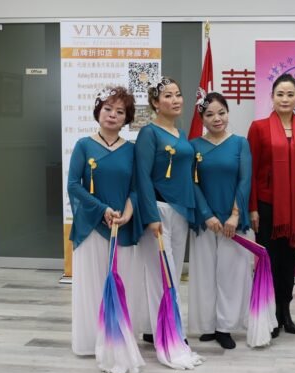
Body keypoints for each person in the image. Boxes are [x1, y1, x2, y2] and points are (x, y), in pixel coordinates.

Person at [68, 86, 141, 355]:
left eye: (120, 111)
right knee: (91, 286)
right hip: (91, 226)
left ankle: (117, 339)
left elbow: (136, 188)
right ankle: (89, 343)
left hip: (122, 226)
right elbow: (74, 185)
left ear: (127, 118)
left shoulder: (132, 150)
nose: (113, 115)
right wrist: (102, 210)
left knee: (123, 285)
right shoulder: (84, 145)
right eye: (108, 109)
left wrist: (128, 212)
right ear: (98, 112)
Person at [247, 73, 295, 337]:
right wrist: (252, 207)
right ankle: (266, 313)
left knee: (290, 259)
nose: (285, 99)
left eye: (290, 94)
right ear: (272, 97)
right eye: (280, 94)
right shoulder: (259, 127)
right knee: (269, 259)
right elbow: (250, 171)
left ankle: (284, 311)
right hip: (266, 206)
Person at [188, 92, 252, 349]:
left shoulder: (240, 143)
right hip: (205, 221)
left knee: (231, 274)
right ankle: (208, 324)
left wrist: (234, 216)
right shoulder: (194, 146)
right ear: (202, 118)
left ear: (228, 112)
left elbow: (244, 180)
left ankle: (225, 326)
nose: (217, 119)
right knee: (204, 274)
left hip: (233, 222)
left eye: (221, 112)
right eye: (210, 114)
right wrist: (207, 215)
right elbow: (192, 184)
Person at [134, 77, 195, 341]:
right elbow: (142, 176)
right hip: (158, 211)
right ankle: (170, 331)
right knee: (164, 274)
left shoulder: (182, 135)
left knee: (173, 272)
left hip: (180, 211)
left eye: (178, 94)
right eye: (168, 96)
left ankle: (152, 328)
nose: (175, 100)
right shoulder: (149, 133)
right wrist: (150, 216)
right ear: (156, 103)